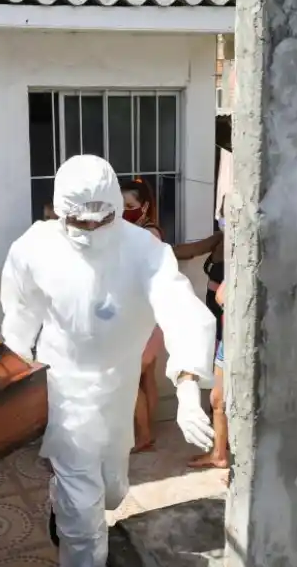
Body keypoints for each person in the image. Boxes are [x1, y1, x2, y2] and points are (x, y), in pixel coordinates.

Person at [1, 155, 216, 567]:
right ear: (60, 211)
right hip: (64, 390)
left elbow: (181, 309)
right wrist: (12, 381)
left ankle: (64, 501)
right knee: (82, 513)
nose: (92, 230)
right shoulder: (34, 248)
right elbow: (20, 317)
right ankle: (74, 528)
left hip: (118, 390)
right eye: (80, 222)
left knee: (112, 492)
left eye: (102, 221)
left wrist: (188, 386)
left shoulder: (143, 251)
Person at [120, 179, 223, 453]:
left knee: (129, 378)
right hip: (145, 315)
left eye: (129, 206)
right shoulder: (132, 232)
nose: (124, 211)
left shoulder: (147, 235)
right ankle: (146, 431)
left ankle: (141, 434)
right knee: (145, 376)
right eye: (120, 206)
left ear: (144, 207)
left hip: (149, 315)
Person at [189, 280, 231, 472]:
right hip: (228, 342)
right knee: (217, 400)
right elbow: (221, 295)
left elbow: (222, 296)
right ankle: (219, 455)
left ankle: (223, 455)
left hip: (241, 343)